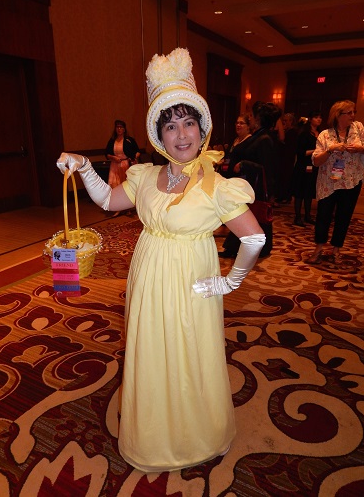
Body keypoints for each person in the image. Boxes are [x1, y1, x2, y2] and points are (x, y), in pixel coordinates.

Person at [56, 48, 266, 472]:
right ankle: (153, 431)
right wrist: (83, 166)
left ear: (202, 128)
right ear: (159, 134)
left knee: (190, 355)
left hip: (192, 280)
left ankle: (195, 434)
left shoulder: (216, 185)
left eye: (189, 122)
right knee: (152, 350)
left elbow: (254, 236)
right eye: (171, 125)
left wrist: (230, 281)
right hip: (148, 276)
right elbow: (109, 201)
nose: (181, 134)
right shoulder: (147, 176)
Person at [219, 101, 281, 259]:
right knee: (249, 217)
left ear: (259, 118)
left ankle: (242, 248)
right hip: (251, 184)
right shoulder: (260, 135)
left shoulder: (265, 137)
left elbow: (266, 167)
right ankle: (237, 248)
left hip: (257, 186)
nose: (250, 119)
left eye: (252, 116)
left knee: (252, 217)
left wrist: (245, 164)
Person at [306, 100, 364, 265]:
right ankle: (318, 249)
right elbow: (316, 161)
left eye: (354, 112)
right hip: (328, 183)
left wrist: (360, 149)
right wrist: (330, 150)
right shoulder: (325, 134)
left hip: (351, 181)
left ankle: (336, 249)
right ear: (338, 115)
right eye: (349, 113)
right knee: (323, 216)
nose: (353, 116)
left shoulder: (359, 129)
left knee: (343, 217)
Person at [291, 110, 322, 227]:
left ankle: (308, 216)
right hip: (303, 165)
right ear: (310, 119)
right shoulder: (304, 133)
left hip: (314, 165)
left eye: (320, 117)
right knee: (300, 191)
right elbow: (300, 152)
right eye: (316, 117)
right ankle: (297, 217)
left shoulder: (320, 133)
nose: (319, 119)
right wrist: (315, 151)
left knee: (309, 191)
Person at [105, 119, 140, 188]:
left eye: (121, 127)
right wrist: (113, 157)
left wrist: (134, 158)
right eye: (117, 127)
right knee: (114, 185)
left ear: (124, 129)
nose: (119, 129)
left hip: (127, 165)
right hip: (114, 165)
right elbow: (107, 154)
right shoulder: (112, 140)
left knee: (126, 185)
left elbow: (138, 151)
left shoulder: (129, 140)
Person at [275, 112, 298, 204]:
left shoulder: (293, 131)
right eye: (283, 120)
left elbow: (288, 144)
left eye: (286, 121)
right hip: (282, 158)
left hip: (288, 158)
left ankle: (286, 196)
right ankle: (281, 195)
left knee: (286, 177)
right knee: (282, 177)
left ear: (291, 121)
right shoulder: (286, 131)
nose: (284, 122)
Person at [222, 113, 252, 178]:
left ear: (248, 126)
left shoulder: (250, 141)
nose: (238, 125)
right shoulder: (235, 140)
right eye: (237, 123)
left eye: (241, 123)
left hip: (239, 178)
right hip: (227, 176)